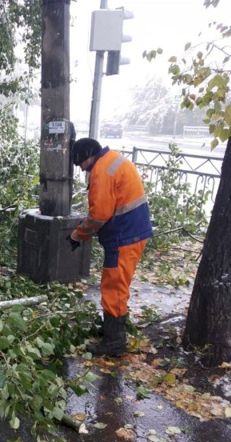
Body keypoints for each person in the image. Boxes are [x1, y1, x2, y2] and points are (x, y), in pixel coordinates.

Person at [67, 138, 153, 356]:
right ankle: (111, 329)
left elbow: (99, 216)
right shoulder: (112, 159)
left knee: (114, 286)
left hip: (124, 236)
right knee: (117, 283)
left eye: (80, 164)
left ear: (87, 155)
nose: (81, 169)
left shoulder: (102, 171)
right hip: (131, 232)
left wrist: (77, 235)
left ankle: (114, 341)